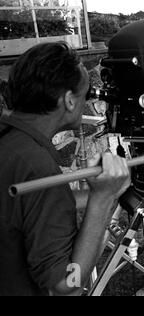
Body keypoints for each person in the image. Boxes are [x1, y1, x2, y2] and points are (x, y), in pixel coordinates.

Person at [0, 42, 131, 296]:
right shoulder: (36, 167)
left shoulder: (10, 143)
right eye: (85, 95)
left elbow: (26, 207)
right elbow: (66, 284)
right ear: (70, 100)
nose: (86, 103)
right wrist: (103, 199)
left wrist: (98, 191)